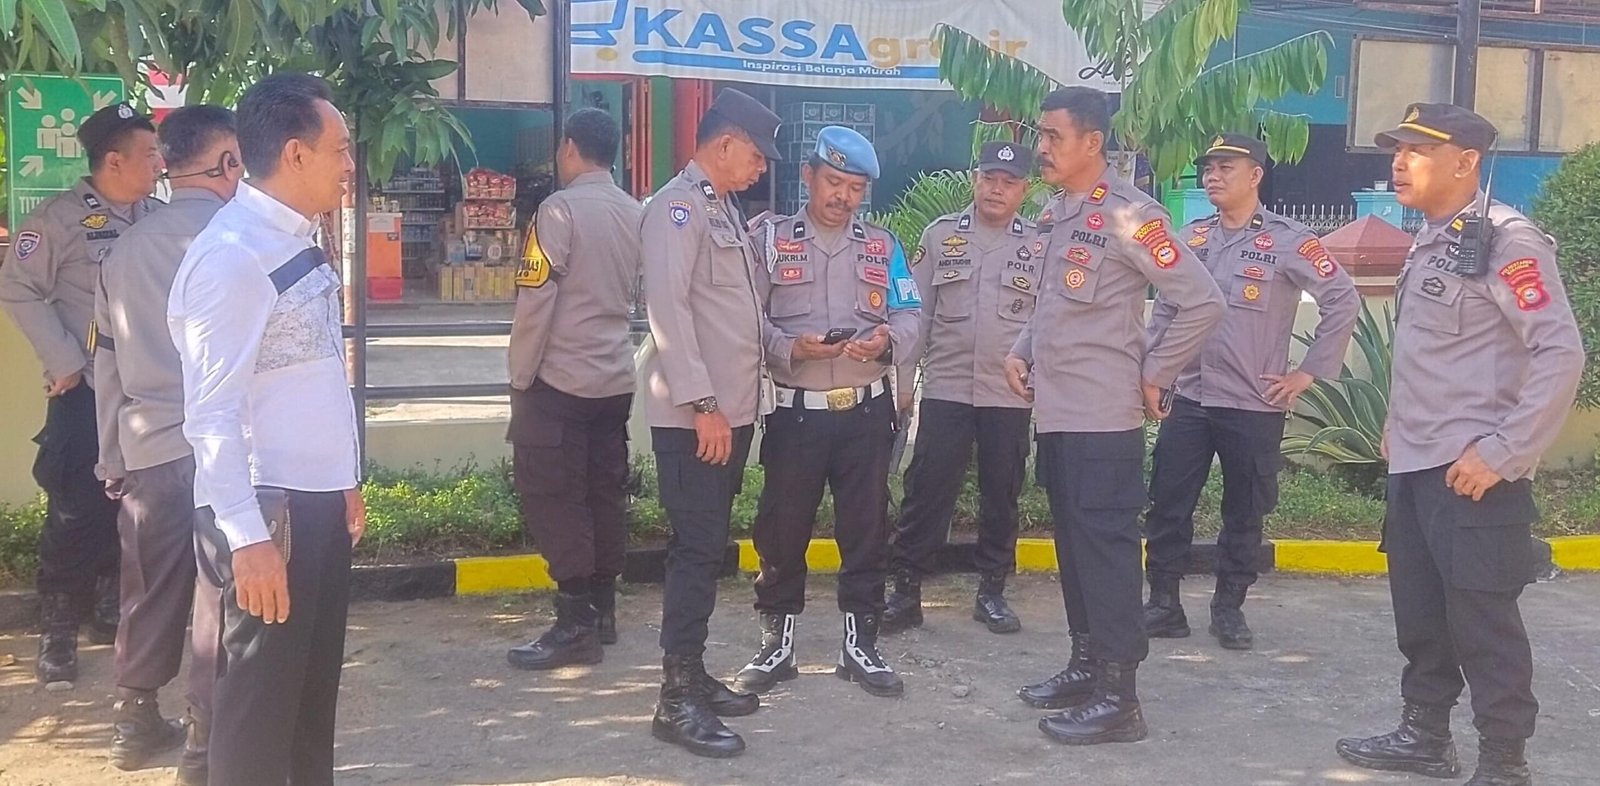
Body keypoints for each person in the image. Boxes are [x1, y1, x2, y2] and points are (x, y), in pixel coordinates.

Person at [1335, 103, 1583, 786]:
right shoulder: (1431, 239)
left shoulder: (1509, 241)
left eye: (1416, 150)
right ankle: (1424, 735)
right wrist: (1397, 420)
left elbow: (1560, 353)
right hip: (1418, 462)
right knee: (1421, 614)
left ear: (1466, 161)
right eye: (1397, 149)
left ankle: (1504, 761)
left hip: (1474, 472)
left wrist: (1505, 451)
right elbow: (1432, 353)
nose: (1399, 161)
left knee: (1483, 621)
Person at [1006, 87, 1225, 744]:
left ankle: (1119, 697)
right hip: (1058, 412)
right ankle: (1086, 665)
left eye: (1053, 136)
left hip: (1103, 418)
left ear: (1092, 142)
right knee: (1075, 550)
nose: (1042, 148)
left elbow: (1203, 301)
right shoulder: (1058, 212)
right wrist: (1021, 350)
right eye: (1040, 135)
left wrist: (1157, 372)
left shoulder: (1131, 215)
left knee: (1105, 554)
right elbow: (1052, 303)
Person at [168, 73, 365, 786]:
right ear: (295, 153)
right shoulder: (233, 257)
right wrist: (247, 540)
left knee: (308, 700)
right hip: (266, 511)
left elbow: (315, 374)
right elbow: (211, 413)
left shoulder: (295, 239)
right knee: (257, 713)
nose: (350, 165)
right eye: (340, 149)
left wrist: (344, 480)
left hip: (313, 504)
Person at [1141, 133, 1359, 650]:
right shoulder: (1191, 238)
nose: (1212, 176)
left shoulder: (1290, 240)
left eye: (1225, 167)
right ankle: (1164, 605)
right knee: (1167, 504)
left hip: (1253, 402)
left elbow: (1343, 300)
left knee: (1245, 511)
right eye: (1208, 168)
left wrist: (1307, 373)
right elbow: (1168, 308)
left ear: (1256, 175)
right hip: (1189, 396)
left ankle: (1229, 609)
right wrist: (1152, 372)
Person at [733, 126, 922, 700]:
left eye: (855, 188)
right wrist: (791, 348)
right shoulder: (769, 241)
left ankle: (861, 645)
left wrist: (888, 342)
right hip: (797, 414)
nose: (843, 196)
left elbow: (912, 313)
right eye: (834, 182)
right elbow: (747, 319)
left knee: (867, 529)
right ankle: (777, 645)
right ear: (808, 176)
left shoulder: (882, 246)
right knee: (781, 529)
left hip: (866, 413)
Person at [94, 105, 241, 780]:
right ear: (228, 162)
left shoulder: (123, 249)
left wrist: (111, 456)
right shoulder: (242, 238)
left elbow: (107, 363)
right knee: (221, 597)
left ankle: (133, 720)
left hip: (149, 447)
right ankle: (204, 746)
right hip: (227, 451)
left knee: (148, 587)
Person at [1, 102, 163, 689]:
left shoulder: (159, 218)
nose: (160, 163)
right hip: (88, 391)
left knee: (134, 505)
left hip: (147, 393)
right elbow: (17, 288)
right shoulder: (58, 221)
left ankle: (107, 606)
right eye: (150, 154)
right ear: (114, 161)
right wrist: (64, 359)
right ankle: (58, 628)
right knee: (76, 510)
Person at [640, 87, 781, 759]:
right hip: (698, 419)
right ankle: (675, 699)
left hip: (729, 415)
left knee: (707, 547)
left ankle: (692, 675)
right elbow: (668, 312)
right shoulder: (677, 209)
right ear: (725, 145)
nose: (761, 168)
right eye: (756, 155)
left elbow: (741, 317)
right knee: (696, 550)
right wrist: (702, 404)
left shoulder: (724, 210)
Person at [884, 141, 1043, 636]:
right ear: (976, 180)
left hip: (1008, 392)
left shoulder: (1040, 246)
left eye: (1009, 182)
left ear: (1024, 190)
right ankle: (906, 590)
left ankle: (992, 591)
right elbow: (915, 316)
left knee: (1002, 491)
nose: (997, 189)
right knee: (927, 490)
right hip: (947, 388)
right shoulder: (940, 237)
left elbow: (1048, 322)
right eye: (989, 178)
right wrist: (903, 383)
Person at [505, 108, 643, 671]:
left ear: (568, 148)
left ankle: (574, 624)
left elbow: (535, 300)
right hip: (614, 378)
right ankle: (602, 610)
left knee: (555, 496)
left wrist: (520, 375)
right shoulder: (636, 213)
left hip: (559, 380)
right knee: (604, 492)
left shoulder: (557, 211)